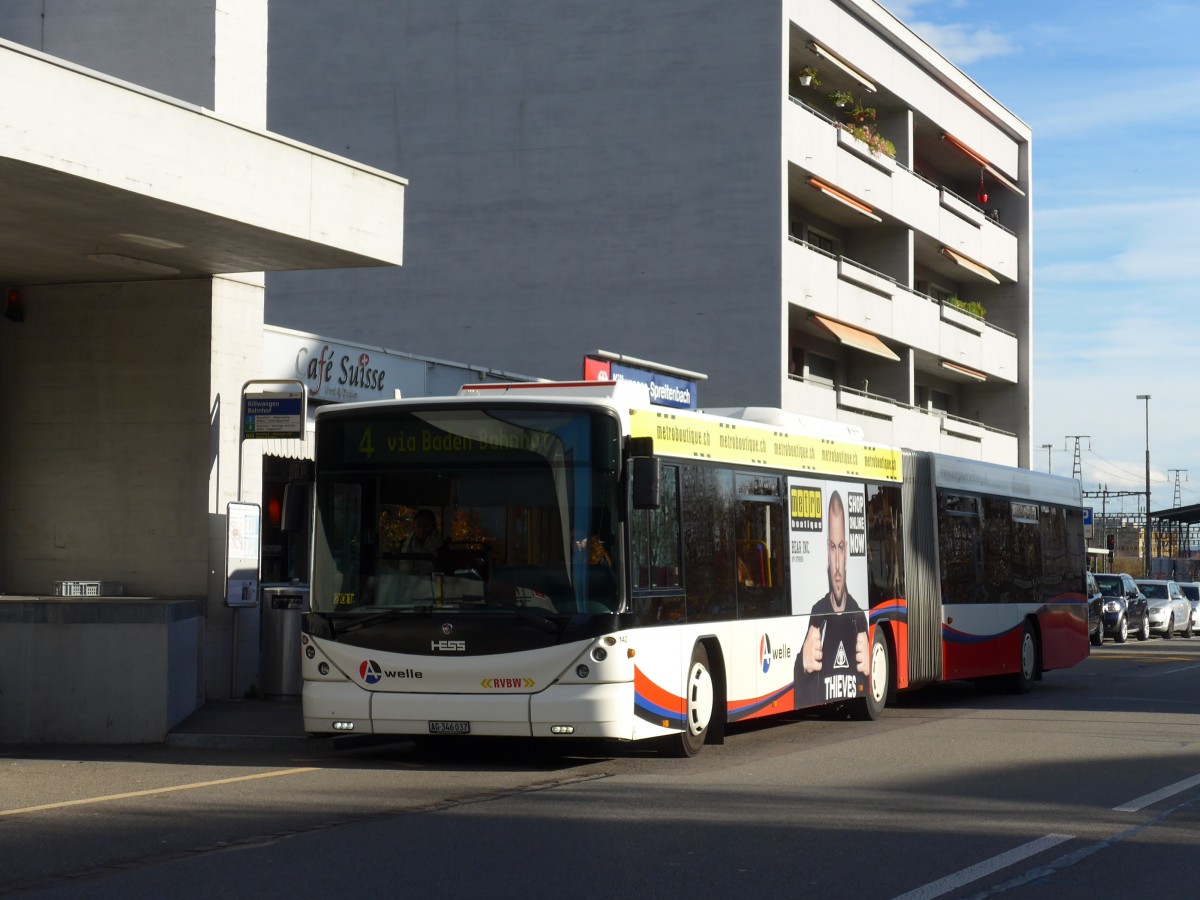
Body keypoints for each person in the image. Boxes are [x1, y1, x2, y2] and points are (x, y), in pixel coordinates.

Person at [794, 490, 869, 709]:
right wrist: (802, 665)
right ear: (827, 550)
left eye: (841, 548)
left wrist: (869, 667)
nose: (837, 563)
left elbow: (866, 680)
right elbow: (801, 696)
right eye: (832, 548)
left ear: (846, 551)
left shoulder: (860, 619)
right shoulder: (815, 616)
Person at [396, 508, 445, 572]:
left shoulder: (441, 547)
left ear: (432, 527)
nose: (421, 529)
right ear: (413, 525)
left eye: (426, 525)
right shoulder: (404, 544)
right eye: (418, 525)